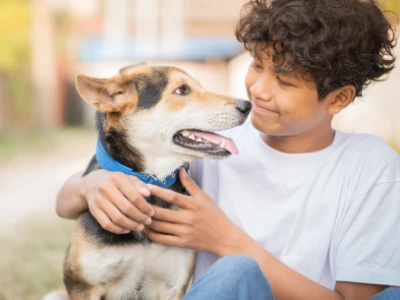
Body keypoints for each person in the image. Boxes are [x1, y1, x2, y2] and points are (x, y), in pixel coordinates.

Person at [56, 0, 400, 299]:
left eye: (284, 81)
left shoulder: (372, 167)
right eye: (256, 65)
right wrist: (91, 185)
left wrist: (225, 240)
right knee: (235, 276)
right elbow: (66, 201)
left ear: (339, 98)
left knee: (240, 272)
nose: (259, 90)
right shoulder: (212, 146)